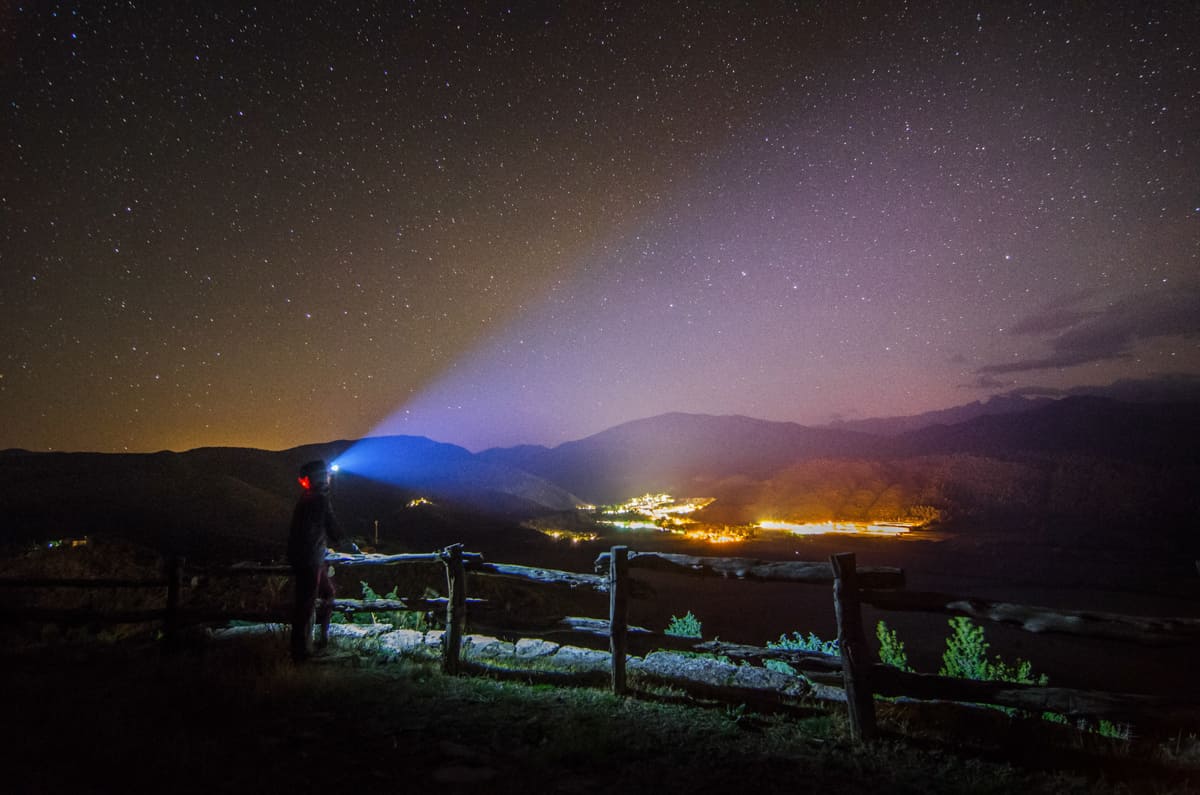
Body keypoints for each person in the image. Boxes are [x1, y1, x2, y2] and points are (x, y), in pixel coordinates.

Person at [287, 459, 358, 661]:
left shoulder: (307, 498)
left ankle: (319, 641)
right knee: (306, 603)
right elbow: (331, 524)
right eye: (326, 474)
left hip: (307, 556)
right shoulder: (318, 499)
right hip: (310, 558)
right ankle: (302, 651)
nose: (329, 477)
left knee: (325, 594)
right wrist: (350, 547)